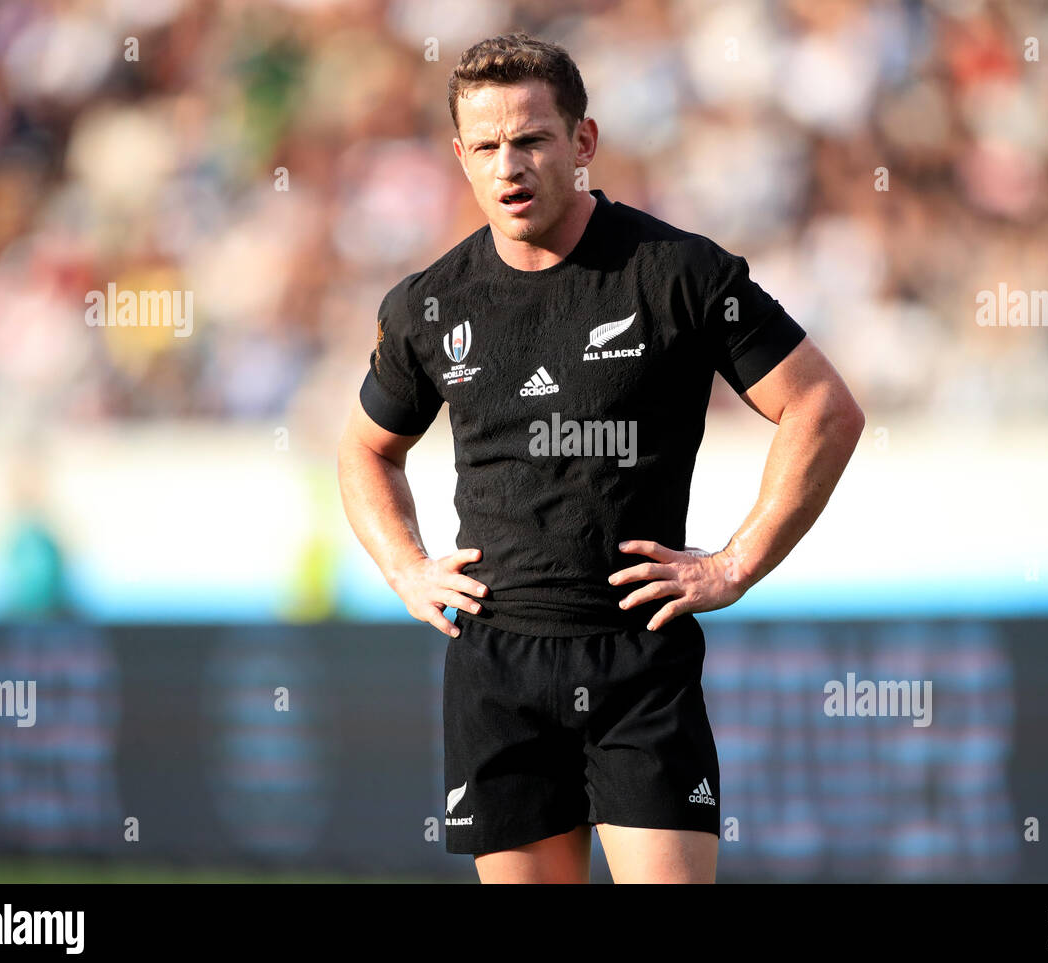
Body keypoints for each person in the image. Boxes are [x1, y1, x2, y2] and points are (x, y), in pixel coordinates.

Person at [337, 31, 864, 883]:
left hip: (638, 660)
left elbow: (823, 407)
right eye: (486, 147)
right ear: (461, 158)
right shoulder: (428, 305)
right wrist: (406, 569)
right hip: (496, 666)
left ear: (581, 142)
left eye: (531, 139)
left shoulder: (678, 274)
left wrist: (733, 565)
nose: (509, 166)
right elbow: (366, 450)